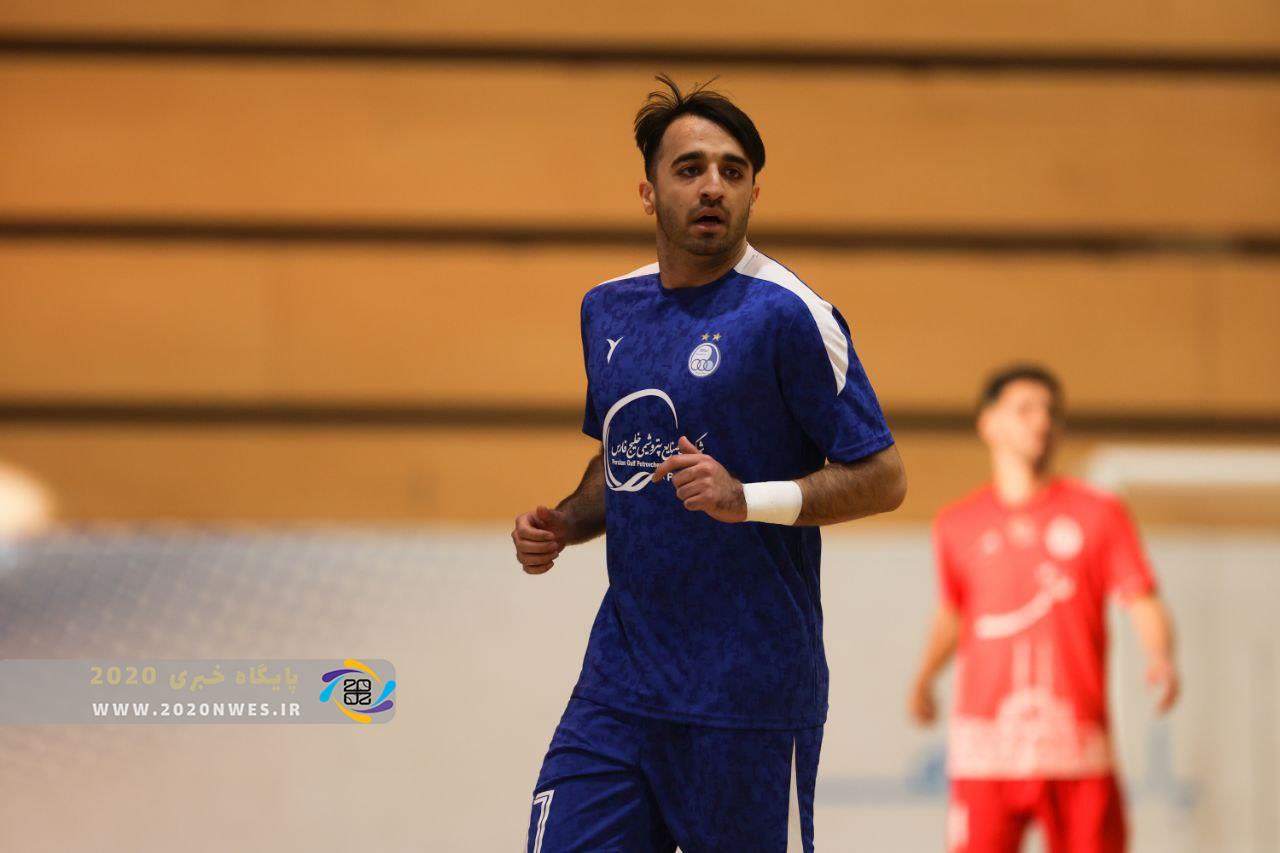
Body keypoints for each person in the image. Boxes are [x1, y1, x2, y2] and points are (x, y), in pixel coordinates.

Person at [512, 75, 907, 852]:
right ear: (648, 192)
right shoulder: (607, 308)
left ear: (756, 191)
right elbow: (620, 454)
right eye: (690, 168)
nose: (712, 187)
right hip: (619, 687)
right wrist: (566, 520)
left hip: (750, 697)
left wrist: (744, 497)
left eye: (733, 170)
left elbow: (882, 477)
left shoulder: (790, 314)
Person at [908, 365, 1179, 853]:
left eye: (1051, 411)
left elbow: (1141, 596)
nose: (1042, 421)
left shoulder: (1100, 514)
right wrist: (925, 677)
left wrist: (1160, 657)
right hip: (986, 753)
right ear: (989, 423)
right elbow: (955, 610)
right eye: (1025, 409)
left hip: (1077, 749)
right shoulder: (956, 524)